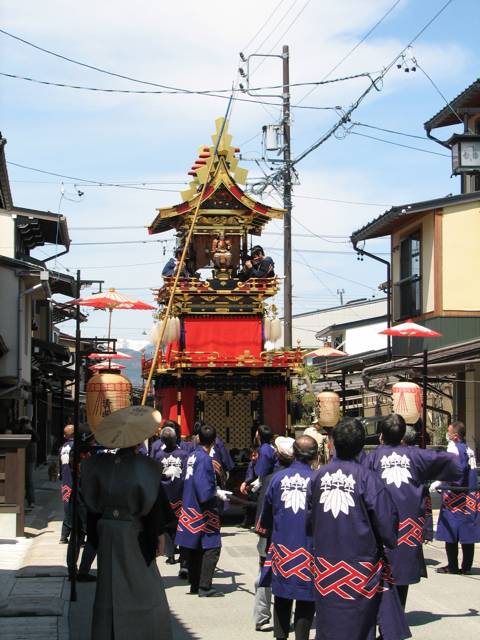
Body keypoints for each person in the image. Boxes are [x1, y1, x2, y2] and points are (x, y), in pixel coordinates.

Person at [306, 418, 410, 640]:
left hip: (326, 566)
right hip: (360, 569)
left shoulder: (317, 477)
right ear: (361, 445)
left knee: (329, 626)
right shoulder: (369, 480)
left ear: (332, 443)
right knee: (358, 627)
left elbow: (309, 521)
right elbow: (387, 524)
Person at [81, 406, 174, 640]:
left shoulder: (98, 465)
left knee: (108, 588)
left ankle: (106, 633)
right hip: (134, 532)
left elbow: (89, 506)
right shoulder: (146, 468)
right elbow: (153, 509)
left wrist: (96, 535)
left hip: (106, 530)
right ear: (138, 441)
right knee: (141, 587)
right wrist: (159, 539)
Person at [364, 413, 462, 609]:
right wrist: (455, 454)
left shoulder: (372, 457)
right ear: (402, 436)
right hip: (408, 526)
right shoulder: (416, 455)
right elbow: (451, 463)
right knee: (402, 572)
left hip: (379, 525)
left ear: (381, 435)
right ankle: (398, 616)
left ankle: (380, 615)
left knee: (377, 572)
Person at [257, 436, 318, 640]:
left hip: (282, 546)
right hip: (309, 548)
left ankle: (280, 636)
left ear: (293, 453)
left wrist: (264, 534)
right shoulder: (316, 480)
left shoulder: (277, 478)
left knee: (282, 596)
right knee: (307, 596)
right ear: (316, 455)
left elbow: (266, 514)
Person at [176, 424, 230, 597]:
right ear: (214, 441)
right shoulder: (205, 459)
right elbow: (203, 488)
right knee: (211, 547)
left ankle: (195, 583)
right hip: (202, 510)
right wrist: (215, 492)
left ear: (198, 439)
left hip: (189, 506)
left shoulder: (191, 456)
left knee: (195, 547)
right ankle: (205, 586)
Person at [254, 437, 295, 632]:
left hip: (273, 536)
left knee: (265, 573)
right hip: (296, 536)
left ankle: (263, 616)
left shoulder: (271, 478)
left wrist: (262, 535)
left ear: (276, 455)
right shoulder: (304, 477)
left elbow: (263, 510)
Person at [435, 421, 480, 575]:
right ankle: (466, 567)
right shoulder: (469, 449)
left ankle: (453, 565)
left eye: (448, 431)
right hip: (470, 498)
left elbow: (456, 473)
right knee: (467, 532)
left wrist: (440, 482)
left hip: (457, 498)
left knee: (451, 531)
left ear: (455, 435)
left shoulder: (458, 450)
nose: (447, 433)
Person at [150, 425, 188, 571]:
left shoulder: (158, 456)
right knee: (180, 523)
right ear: (175, 438)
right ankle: (179, 553)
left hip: (164, 493)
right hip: (180, 493)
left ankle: (170, 554)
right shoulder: (184, 454)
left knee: (165, 523)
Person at [65, 424, 98, 582]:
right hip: (87, 497)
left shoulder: (74, 451)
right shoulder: (90, 455)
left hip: (75, 495)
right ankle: (83, 570)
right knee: (92, 537)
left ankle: (72, 570)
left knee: (76, 536)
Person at [18, 417, 40, 509]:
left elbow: (37, 438)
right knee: (19, 480)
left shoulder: (31, 432)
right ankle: (18, 500)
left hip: (30, 458)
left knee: (30, 481)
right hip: (19, 457)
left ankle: (31, 501)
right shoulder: (18, 431)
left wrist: (30, 429)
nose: (26, 425)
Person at [59, 424, 75, 543]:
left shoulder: (62, 448)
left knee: (68, 508)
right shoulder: (76, 447)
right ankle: (73, 536)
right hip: (74, 481)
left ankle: (64, 535)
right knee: (75, 509)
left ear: (64, 436)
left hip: (65, 482)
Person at [251, 425, 277, 493]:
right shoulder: (268, 447)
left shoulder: (264, 450)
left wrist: (254, 489)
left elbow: (263, 472)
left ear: (259, 435)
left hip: (269, 483)